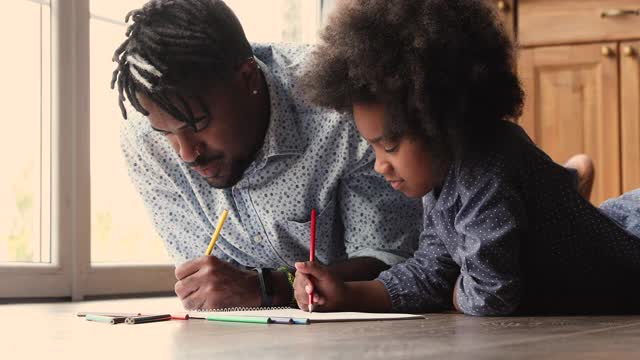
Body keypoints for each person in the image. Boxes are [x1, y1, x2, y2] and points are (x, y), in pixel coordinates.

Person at [292, 0, 640, 315]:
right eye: (373, 147)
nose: (379, 165)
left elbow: (491, 295)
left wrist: (456, 287)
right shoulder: (441, 175)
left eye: (391, 146)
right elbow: (431, 269)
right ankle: (559, 190)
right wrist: (348, 294)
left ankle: (558, 193)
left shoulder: (486, 168)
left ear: (441, 122)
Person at [111, 0, 423, 311]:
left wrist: (267, 287)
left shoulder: (337, 108)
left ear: (247, 78)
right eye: (166, 132)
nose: (186, 153)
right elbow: (206, 284)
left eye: (198, 124)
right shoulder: (145, 142)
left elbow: (390, 258)